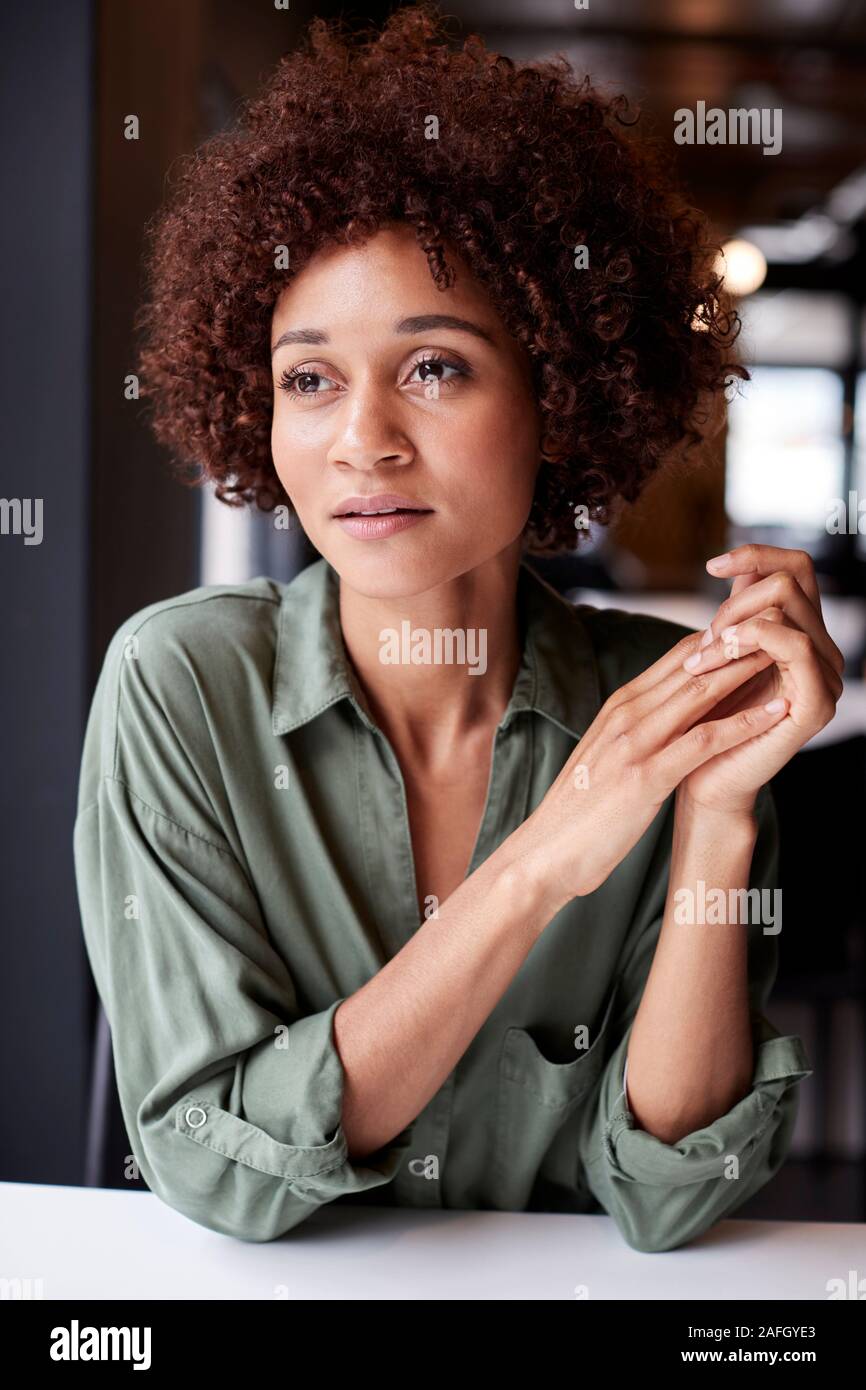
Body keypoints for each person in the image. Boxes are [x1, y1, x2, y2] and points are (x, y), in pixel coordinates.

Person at [74, 3, 841, 1251]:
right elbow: (218, 1167)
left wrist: (711, 818)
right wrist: (546, 856)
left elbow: (665, 1192)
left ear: (561, 390)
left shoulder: (667, 705)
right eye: (307, 378)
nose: (362, 439)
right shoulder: (182, 683)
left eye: (432, 366)